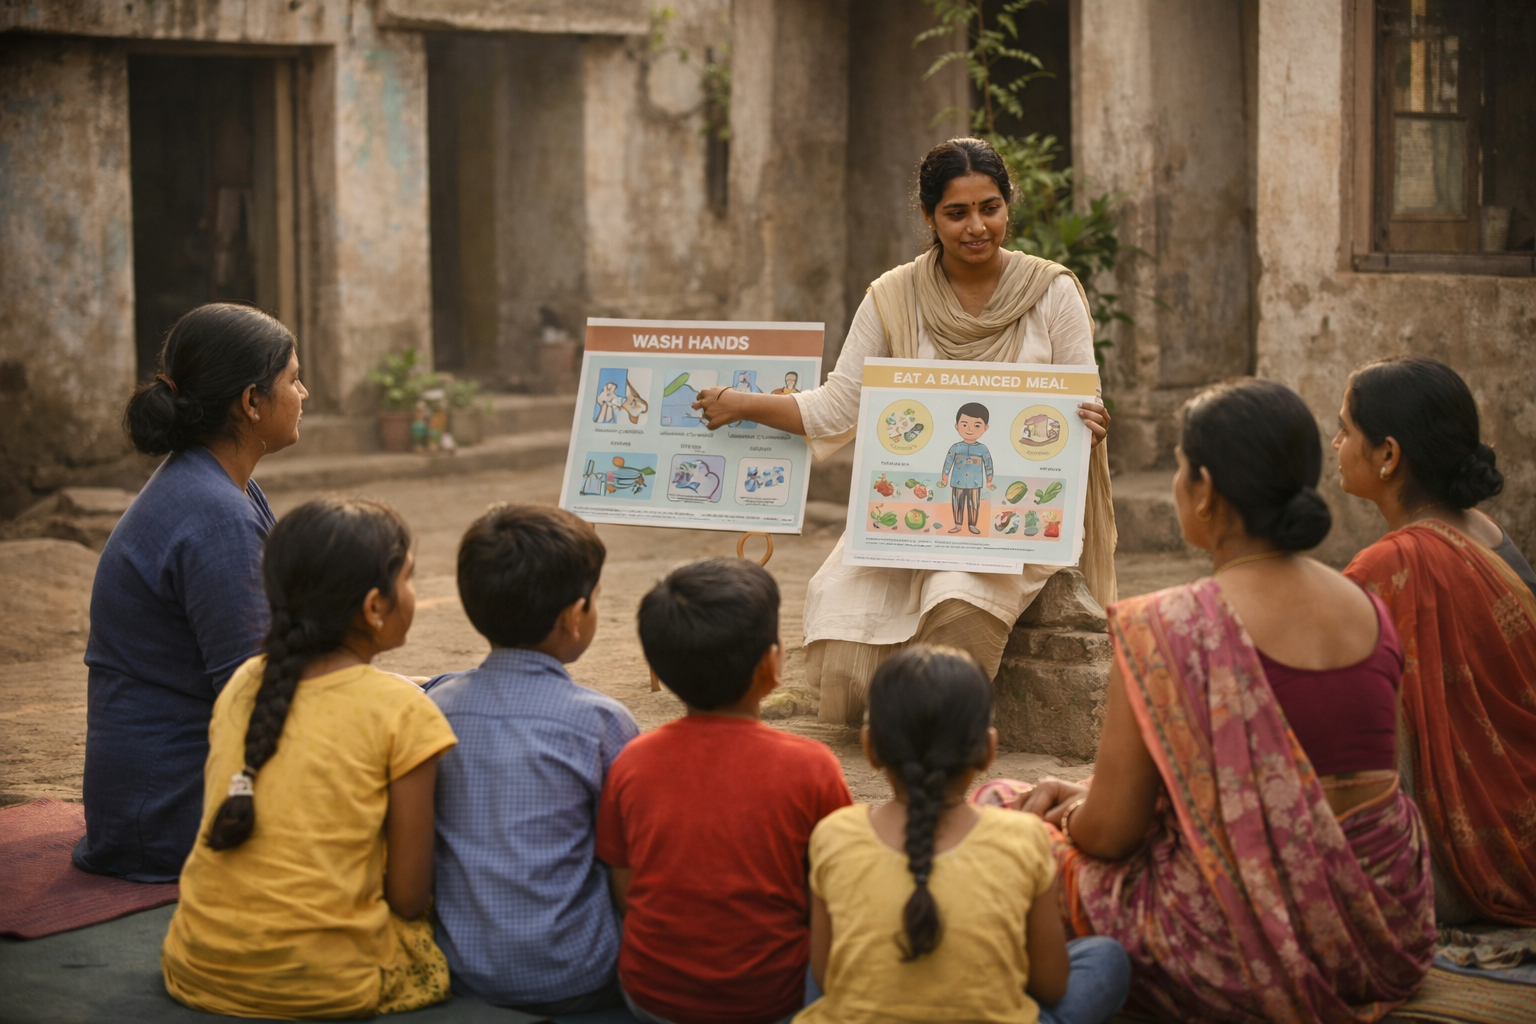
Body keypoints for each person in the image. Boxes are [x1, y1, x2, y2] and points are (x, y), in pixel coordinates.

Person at [1015, 379, 1436, 1021]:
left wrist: (1068, 815)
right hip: (1382, 926)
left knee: (1001, 823)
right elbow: (1297, 784)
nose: (1178, 485)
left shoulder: (1169, 625)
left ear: (1205, 490)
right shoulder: (1367, 609)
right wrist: (1094, 788)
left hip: (1235, 943)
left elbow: (1109, 836)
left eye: (1181, 470)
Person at [691, 137, 1117, 725]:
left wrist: (1090, 424)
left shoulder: (1050, 292)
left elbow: (1080, 400)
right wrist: (742, 404)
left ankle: (927, 728)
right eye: (956, 212)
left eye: (989, 208)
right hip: (911, 509)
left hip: (1008, 521)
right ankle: (900, 717)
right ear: (928, 216)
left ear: (1008, 205)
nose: (977, 227)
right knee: (843, 601)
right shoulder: (893, 295)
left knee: (958, 593)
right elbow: (841, 405)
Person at [161, 499, 457, 1018]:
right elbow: (408, 899)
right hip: (325, 986)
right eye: (410, 578)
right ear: (374, 607)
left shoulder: (245, 682)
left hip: (194, 963)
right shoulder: (406, 711)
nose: (414, 591)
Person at [76, 303, 306, 882]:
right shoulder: (216, 515)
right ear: (251, 402)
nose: (305, 393)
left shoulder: (221, 484)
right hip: (166, 811)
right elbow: (252, 689)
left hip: (160, 789)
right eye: (294, 380)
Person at [799, 646, 1130, 1024]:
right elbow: (1051, 986)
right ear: (988, 750)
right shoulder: (1024, 838)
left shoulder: (833, 834)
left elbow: (826, 977)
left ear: (870, 747)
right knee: (1106, 958)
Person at [597, 558, 854, 1024]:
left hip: (652, 996)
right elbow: (840, 887)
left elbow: (624, 886)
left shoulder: (632, 762)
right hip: (773, 999)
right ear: (773, 666)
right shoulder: (812, 767)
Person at [1334, 357, 1536, 926]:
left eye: (1346, 428)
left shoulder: (1388, 566)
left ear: (1389, 456)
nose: (1336, 442)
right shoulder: (1490, 537)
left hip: (1457, 859)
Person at [426, 504, 639, 1014]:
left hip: (464, 970)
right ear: (574, 618)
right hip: (579, 974)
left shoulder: (437, 707)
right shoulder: (604, 723)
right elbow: (623, 869)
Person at [940, 402, 995, 535]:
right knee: (957, 503)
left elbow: (989, 464)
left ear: (985, 427)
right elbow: (948, 462)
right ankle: (958, 525)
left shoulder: (982, 449)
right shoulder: (956, 447)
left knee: (974, 505)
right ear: (957, 426)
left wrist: (989, 480)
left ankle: (972, 525)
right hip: (957, 482)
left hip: (975, 483)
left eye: (977, 425)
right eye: (964, 424)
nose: (970, 429)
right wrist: (944, 476)